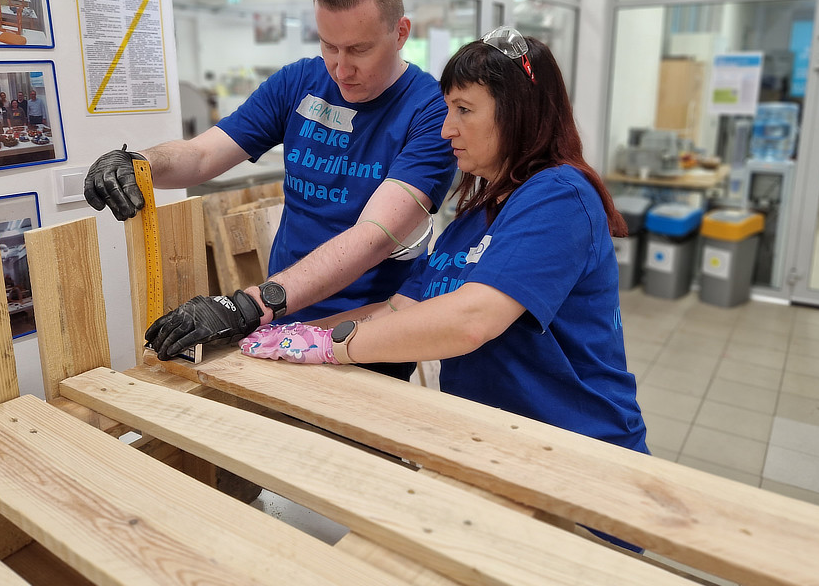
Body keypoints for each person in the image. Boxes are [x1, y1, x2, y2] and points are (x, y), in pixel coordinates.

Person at [223, 29, 648, 463]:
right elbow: (400, 308)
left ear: (519, 113)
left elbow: (472, 319)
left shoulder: (559, 195)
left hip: (579, 452)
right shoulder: (472, 217)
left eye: (464, 110)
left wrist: (332, 346)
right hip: (496, 447)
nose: (447, 129)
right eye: (448, 109)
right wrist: (292, 334)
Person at [87, 0, 456, 379]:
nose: (340, 69)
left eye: (358, 49)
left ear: (401, 32)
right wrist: (140, 162)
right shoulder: (299, 81)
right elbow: (205, 154)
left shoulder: (432, 112)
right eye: (328, 46)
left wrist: (248, 305)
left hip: (365, 334)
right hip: (283, 316)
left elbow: (373, 236)